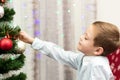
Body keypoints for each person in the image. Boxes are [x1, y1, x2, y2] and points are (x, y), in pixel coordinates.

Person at [18, 21, 120, 80]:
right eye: (84, 34)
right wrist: (31, 40)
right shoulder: (85, 58)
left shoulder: (97, 66)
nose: (81, 37)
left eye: (86, 38)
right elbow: (60, 53)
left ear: (97, 50)